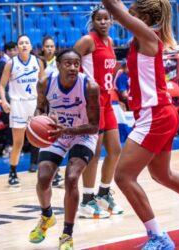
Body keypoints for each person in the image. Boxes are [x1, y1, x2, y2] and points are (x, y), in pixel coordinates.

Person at [102, 0, 179, 249]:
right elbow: (116, 7)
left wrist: (115, 7)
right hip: (159, 113)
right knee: (162, 174)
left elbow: (113, 7)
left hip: (155, 115)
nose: (125, 17)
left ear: (145, 20)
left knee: (123, 177)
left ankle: (158, 236)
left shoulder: (147, 36)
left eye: (133, 14)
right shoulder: (144, 38)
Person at [29, 49, 100, 250]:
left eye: (76, 64)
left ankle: (67, 235)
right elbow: (40, 108)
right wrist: (39, 120)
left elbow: (95, 125)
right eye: (67, 64)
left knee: (71, 178)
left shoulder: (90, 86)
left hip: (83, 133)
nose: (72, 68)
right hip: (57, 132)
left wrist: (67, 129)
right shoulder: (45, 82)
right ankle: (46, 216)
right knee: (43, 177)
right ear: (58, 66)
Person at [74, 5, 123, 219]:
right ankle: (86, 200)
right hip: (92, 102)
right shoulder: (87, 40)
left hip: (108, 100)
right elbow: (68, 62)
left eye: (106, 19)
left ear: (111, 21)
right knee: (94, 153)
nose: (103, 22)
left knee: (115, 150)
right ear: (93, 21)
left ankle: (103, 194)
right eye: (99, 19)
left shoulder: (110, 42)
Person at [0, 34, 45, 187]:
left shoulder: (38, 62)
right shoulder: (10, 64)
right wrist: (4, 101)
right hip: (18, 104)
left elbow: (43, 83)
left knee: (43, 140)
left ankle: (52, 172)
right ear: (17, 47)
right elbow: (1, 85)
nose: (24, 45)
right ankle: (12, 172)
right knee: (18, 143)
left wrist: (45, 102)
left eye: (27, 42)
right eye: (21, 43)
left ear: (31, 46)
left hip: (34, 104)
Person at [36, 35, 65, 187]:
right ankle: (48, 171)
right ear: (42, 48)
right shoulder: (38, 62)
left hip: (55, 102)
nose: (49, 48)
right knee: (44, 136)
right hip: (42, 101)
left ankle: (55, 172)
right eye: (47, 46)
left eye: (52, 46)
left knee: (53, 136)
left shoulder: (59, 62)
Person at [0, 41, 18, 158]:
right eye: (11, 50)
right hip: (6, 99)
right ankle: (8, 148)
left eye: (15, 49)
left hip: (13, 98)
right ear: (7, 51)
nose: (14, 52)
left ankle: (12, 147)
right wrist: (1, 99)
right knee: (9, 124)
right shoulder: (2, 63)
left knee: (13, 124)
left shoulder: (13, 62)